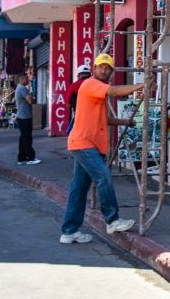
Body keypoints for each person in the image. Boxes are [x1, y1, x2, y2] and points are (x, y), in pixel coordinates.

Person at [60, 53, 146, 242]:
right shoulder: (91, 84)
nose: (104, 70)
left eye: (108, 68)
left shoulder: (97, 91)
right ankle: (112, 220)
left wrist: (123, 122)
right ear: (94, 69)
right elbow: (114, 91)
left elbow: (103, 118)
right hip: (84, 144)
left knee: (79, 188)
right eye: (101, 67)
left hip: (86, 144)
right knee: (103, 176)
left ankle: (69, 231)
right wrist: (142, 85)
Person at [15, 75, 40, 165]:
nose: (28, 80)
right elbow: (30, 101)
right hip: (25, 117)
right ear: (22, 79)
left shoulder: (18, 88)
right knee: (27, 138)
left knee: (23, 138)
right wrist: (31, 96)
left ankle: (21, 158)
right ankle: (30, 158)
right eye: (26, 78)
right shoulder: (23, 88)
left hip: (21, 116)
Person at [65, 64, 93, 136]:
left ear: (79, 75)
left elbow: (68, 104)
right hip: (95, 116)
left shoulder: (73, 86)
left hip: (79, 116)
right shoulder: (96, 84)